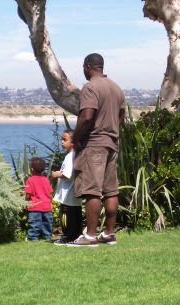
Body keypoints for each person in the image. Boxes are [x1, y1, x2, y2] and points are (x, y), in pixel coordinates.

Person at [68, 53, 125, 247]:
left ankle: (90, 236)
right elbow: (121, 116)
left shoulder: (90, 87)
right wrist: (112, 132)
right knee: (110, 190)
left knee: (92, 190)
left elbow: (86, 116)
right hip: (112, 143)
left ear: (87, 67)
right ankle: (109, 233)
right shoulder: (116, 88)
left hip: (94, 144)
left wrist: (76, 139)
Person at [51, 129, 82, 245]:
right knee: (76, 216)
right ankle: (76, 235)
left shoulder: (70, 157)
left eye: (65, 139)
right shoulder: (74, 155)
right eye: (61, 139)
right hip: (73, 195)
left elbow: (66, 174)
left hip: (67, 195)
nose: (62, 142)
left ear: (73, 142)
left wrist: (55, 174)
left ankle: (67, 236)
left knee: (65, 217)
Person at [25, 157, 53, 241]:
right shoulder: (46, 180)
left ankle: (33, 237)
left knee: (34, 223)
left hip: (35, 206)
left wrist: (26, 201)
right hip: (47, 205)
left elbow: (28, 194)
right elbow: (50, 193)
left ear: (32, 169)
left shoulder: (30, 180)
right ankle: (47, 236)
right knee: (47, 223)